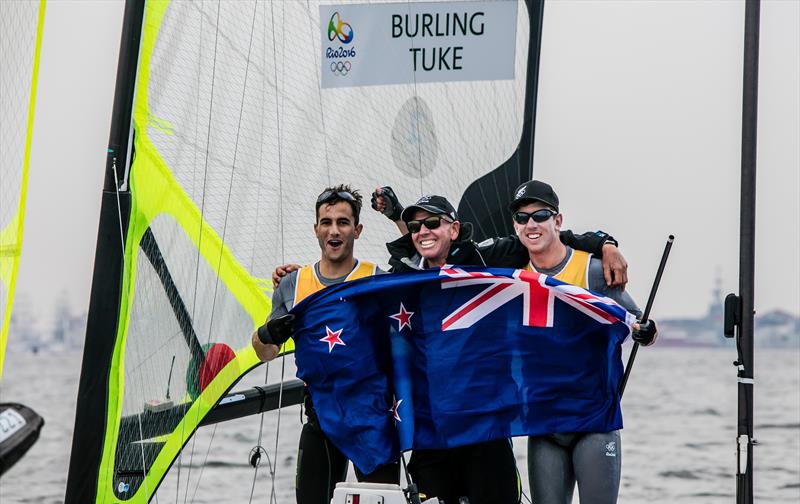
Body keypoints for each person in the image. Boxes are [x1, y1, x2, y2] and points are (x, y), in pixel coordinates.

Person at [508, 179, 657, 504]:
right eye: (522, 218)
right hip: (544, 424)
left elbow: (637, 321)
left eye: (540, 215)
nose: (531, 224)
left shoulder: (591, 270)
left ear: (558, 221)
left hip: (593, 421)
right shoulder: (511, 276)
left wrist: (645, 331)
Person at [250, 184, 399, 504]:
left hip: (373, 420)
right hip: (321, 419)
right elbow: (265, 354)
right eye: (327, 222)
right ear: (316, 229)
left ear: (357, 230)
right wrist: (267, 333)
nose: (334, 230)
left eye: (343, 222)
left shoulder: (378, 279)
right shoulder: (292, 284)